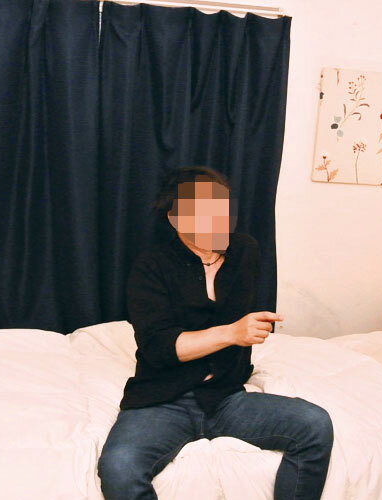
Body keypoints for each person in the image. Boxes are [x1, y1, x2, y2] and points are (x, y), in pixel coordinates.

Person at [97, 166, 334, 500]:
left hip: (225, 397)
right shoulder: (152, 265)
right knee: (119, 467)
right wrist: (232, 333)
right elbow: (159, 348)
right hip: (163, 400)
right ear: (176, 219)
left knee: (315, 424)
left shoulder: (245, 252)